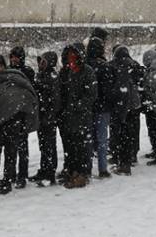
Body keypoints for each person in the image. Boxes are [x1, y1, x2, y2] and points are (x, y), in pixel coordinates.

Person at [0, 54, 39, 194]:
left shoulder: (14, 78)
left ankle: (7, 181)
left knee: (10, 153)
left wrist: (18, 115)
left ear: (4, 65)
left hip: (12, 122)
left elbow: (25, 96)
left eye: (0, 65)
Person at [56, 45, 98, 188]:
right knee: (70, 146)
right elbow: (61, 92)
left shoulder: (87, 71)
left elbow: (91, 95)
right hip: (67, 117)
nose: (71, 59)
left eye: (74, 56)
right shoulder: (65, 72)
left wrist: (76, 106)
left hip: (82, 116)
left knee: (83, 146)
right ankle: (72, 170)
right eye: (68, 56)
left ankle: (83, 174)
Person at [109, 46, 143, 175]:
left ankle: (121, 161)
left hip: (120, 104)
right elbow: (141, 80)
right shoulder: (135, 65)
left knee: (119, 133)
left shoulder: (113, 65)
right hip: (134, 104)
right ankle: (132, 155)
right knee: (132, 132)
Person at [86, 36, 115, 178]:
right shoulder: (105, 66)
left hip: (88, 107)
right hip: (103, 108)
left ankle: (87, 168)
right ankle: (102, 168)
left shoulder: (85, 65)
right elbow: (110, 89)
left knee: (89, 139)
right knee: (103, 140)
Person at [8, 46, 36, 186]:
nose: (13, 59)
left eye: (16, 57)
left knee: (22, 147)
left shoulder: (27, 72)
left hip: (22, 114)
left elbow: (30, 92)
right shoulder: (7, 71)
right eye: (12, 57)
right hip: (9, 114)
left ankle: (22, 175)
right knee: (10, 147)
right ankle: (11, 173)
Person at [31, 51, 60, 185]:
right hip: (41, 117)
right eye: (40, 61)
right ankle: (44, 169)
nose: (40, 64)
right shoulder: (40, 75)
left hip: (48, 118)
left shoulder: (53, 77)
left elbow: (55, 100)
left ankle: (50, 173)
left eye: (44, 62)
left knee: (50, 146)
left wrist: (49, 116)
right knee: (43, 146)